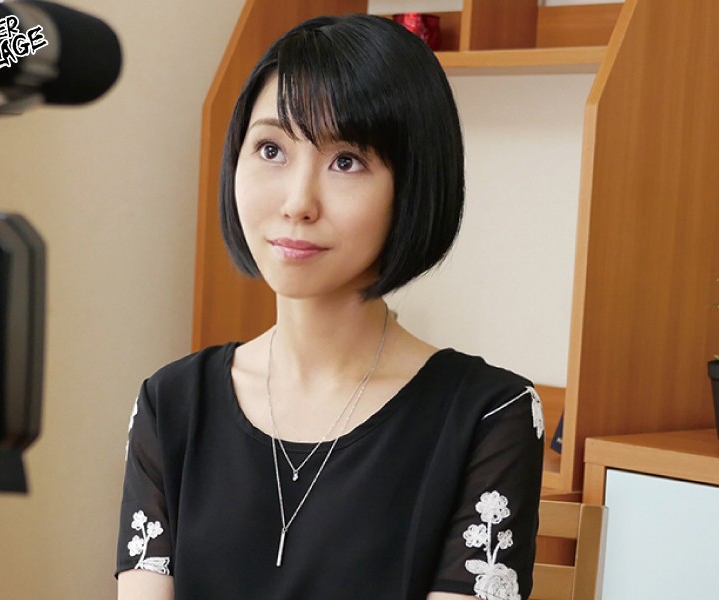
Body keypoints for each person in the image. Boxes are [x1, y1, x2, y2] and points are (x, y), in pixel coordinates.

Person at [116, 13, 544, 600]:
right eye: (271, 149)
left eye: (346, 161)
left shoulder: (489, 416)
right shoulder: (171, 405)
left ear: (413, 187)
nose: (298, 202)